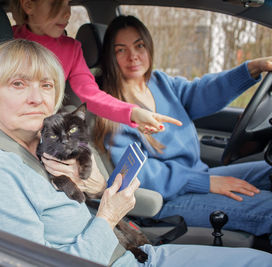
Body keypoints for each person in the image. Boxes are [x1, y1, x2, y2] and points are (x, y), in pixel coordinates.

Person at [0, 39, 272, 266]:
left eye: (47, 86)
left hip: (135, 255)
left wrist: (91, 188)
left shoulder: (40, 143)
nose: (37, 98)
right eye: (18, 84)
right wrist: (108, 215)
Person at [94, 15, 272, 242]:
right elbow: (142, 174)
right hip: (166, 199)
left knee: (269, 170)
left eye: (139, 45)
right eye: (121, 50)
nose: (133, 56)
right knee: (268, 209)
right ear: (110, 56)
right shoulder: (113, 109)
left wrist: (251, 69)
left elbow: (203, 92)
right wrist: (204, 183)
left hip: (196, 177)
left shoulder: (160, 82)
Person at [0, 0, 182, 134]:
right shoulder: (5, 43)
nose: (67, 13)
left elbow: (91, 95)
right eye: (56, 4)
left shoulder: (71, 49)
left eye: (69, 3)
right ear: (28, 5)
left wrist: (133, 112)